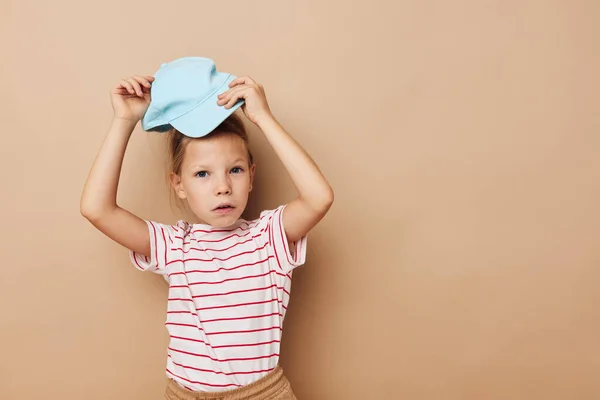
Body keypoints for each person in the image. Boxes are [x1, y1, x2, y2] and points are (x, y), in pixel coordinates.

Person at [80, 65, 334, 399]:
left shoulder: (267, 238)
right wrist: (123, 121)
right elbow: (97, 209)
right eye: (202, 174)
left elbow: (319, 198)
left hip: (261, 394)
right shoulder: (175, 245)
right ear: (178, 184)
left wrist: (264, 118)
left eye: (236, 170)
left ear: (252, 175)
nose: (223, 187)